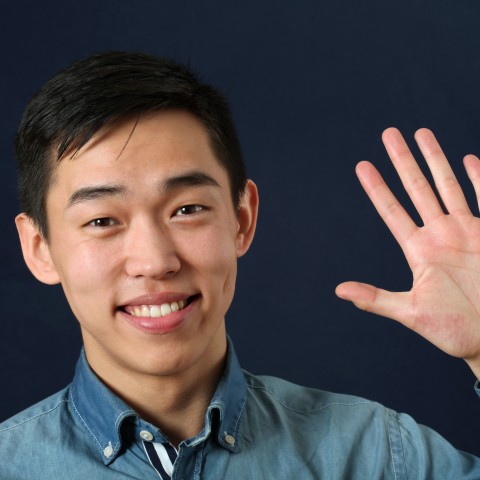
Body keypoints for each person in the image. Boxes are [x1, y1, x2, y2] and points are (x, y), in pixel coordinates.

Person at [0, 51, 479, 479]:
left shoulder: (374, 454)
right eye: (103, 220)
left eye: (186, 209)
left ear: (242, 220)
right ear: (40, 247)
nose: (155, 261)